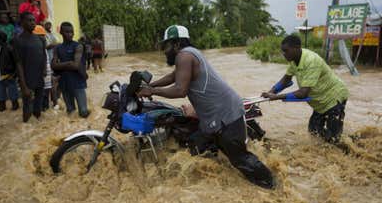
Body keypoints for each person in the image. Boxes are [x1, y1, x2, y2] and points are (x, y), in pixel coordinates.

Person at [138, 25, 274, 189]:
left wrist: (152, 91)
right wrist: (150, 86)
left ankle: (271, 186)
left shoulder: (184, 56)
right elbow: (173, 76)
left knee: (240, 159)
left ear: (176, 44)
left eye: (166, 45)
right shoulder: (190, 54)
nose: (164, 50)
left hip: (224, 116)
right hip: (216, 116)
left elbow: (180, 90)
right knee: (196, 146)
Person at [261, 35, 349, 145]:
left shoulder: (311, 61)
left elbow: (303, 93)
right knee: (314, 132)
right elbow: (286, 79)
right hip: (320, 102)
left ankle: (351, 150)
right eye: (282, 51)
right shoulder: (294, 60)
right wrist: (271, 92)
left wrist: (277, 97)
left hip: (334, 98)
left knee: (333, 140)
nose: (284, 54)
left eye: (286, 51)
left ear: (297, 47)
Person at [12, 12, 47, 122]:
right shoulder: (18, 40)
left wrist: (45, 68)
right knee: (27, 110)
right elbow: (18, 63)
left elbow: (44, 54)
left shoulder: (39, 39)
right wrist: (23, 86)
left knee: (38, 110)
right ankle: (26, 129)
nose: (33, 23)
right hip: (27, 80)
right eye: (29, 20)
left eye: (34, 20)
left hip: (39, 79)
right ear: (22, 23)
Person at [51, 22, 89, 118]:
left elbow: (76, 65)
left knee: (83, 112)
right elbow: (53, 66)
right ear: (61, 32)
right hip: (65, 83)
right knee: (71, 112)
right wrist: (69, 63)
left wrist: (60, 65)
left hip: (78, 82)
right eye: (67, 32)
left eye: (72, 32)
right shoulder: (57, 48)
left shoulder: (78, 46)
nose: (70, 34)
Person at [0, 30, 19, 111]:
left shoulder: (9, 48)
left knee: (13, 94)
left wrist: (14, 74)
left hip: (9, 75)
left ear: (0, 39)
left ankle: (15, 105)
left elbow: (16, 62)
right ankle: (2, 107)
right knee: (0, 95)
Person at [44, 21, 59, 110]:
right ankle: (54, 102)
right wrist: (54, 45)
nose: (49, 26)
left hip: (54, 60)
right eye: (47, 24)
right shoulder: (44, 35)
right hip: (47, 61)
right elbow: (46, 46)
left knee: (55, 82)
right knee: (51, 83)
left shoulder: (52, 34)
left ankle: (54, 101)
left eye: (50, 24)